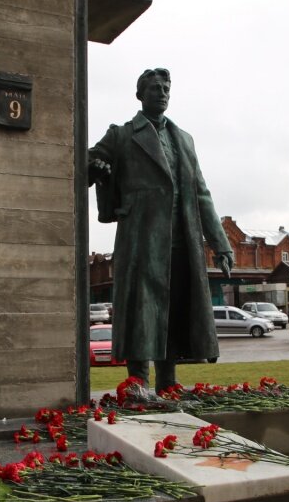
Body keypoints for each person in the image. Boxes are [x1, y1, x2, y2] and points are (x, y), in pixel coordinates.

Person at [89, 68, 233, 393]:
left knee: (173, 310)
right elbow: (88, 162)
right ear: (140, 94)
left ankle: (168, 383)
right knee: (142, 309)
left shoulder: (184, 139)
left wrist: (220, 244)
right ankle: (137, 382)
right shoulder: (123, 135)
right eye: (155, 88)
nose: (162, 92)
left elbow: (201, 194)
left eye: (166, 87)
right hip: (141, 239)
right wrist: (94, 167)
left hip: (181, 240)